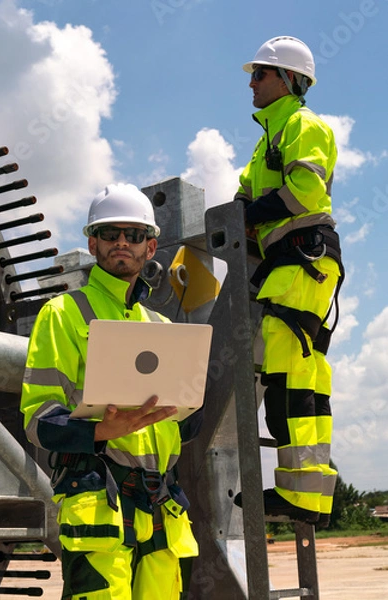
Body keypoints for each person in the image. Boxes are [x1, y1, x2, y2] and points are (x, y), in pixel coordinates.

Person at [21, 183, 200, 600]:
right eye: (109, 233)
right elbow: (38, 422)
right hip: (99, 501)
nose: (121, 242)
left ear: (150, 246)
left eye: (133, 235)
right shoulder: (64, 313)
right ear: (92, 242)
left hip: (162, 509)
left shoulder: (164, 328)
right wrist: (102, 430)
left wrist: (189, 408)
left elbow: (187, 427)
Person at [233, 36, 344, 527]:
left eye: (261, 73)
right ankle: (312, 496)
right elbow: (242, 199)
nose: (252, 83)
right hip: (291, 261)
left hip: (303, 257)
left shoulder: (302, 125)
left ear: (289, 80)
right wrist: (239, 215)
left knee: (287, 378)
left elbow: (305, 189)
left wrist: (249, 216)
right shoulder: (267, 141)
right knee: (305, 378)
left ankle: (299, 494)